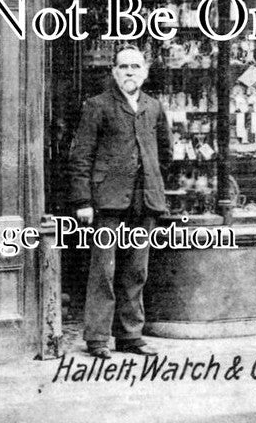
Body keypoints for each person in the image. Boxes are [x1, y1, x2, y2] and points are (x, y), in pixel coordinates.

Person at [68, 44, 172, 359]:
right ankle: (98, 338)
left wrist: (153, 183)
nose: (130, 72)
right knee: (104, 271)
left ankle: (130, 336)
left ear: (145, 72)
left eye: (135, 67)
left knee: (136, 270)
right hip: (108, 203)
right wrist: (83, 200)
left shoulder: (153, 107)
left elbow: (165, 154)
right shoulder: (97, 106)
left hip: (144, 202)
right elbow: (80, 156)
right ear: (114, 72)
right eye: (123, 67)